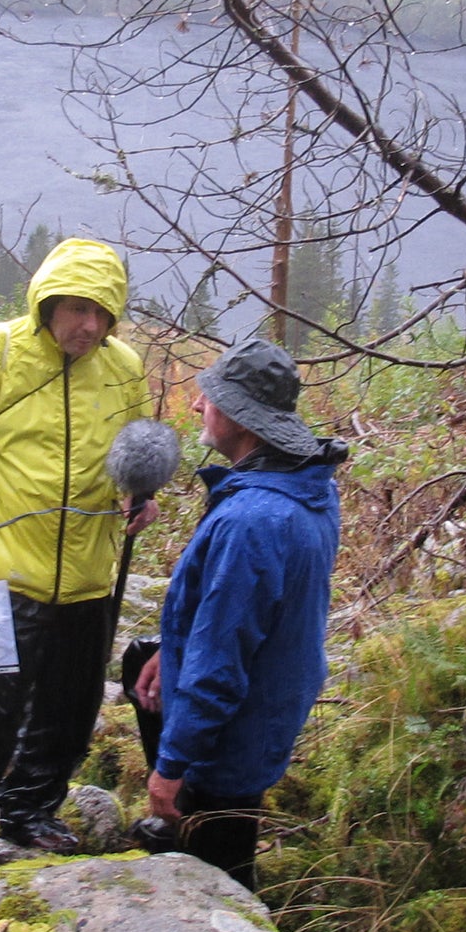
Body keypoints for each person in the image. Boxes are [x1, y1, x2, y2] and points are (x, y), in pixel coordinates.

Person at [0, 237, 155, 911]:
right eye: (76, 309)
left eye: (102, 313)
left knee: (72, 708)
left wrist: (140, 494)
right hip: (0, 572)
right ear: (47, 301)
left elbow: (130, 452)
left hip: (91, 574)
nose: (89, 326)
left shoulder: (123, 366)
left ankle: (30, 809)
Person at [134, 337, 346, 891]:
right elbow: (238, 614)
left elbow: (220, 663)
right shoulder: (306, 489)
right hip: (267, 711)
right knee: (137, 659)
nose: (199, 407)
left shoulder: (251, 521)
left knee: (218, 884)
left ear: (243, 419)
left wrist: (171, 768)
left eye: (211, 398)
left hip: (228, 742)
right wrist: (168, 648)